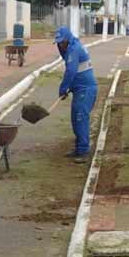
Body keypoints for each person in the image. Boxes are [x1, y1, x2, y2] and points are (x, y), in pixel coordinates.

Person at [55, 26, 98, 161]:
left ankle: (84, 151)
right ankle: (79, 148)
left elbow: (71, 72)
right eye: (58, 42)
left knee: (80, 118)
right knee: (75, 118)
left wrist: (63, 88)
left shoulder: (74, 50)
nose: (60, 44)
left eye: (62, 42)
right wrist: (70, 88)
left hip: (86, 90)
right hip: (79, 90)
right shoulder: (70, 47)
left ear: (68, 39)